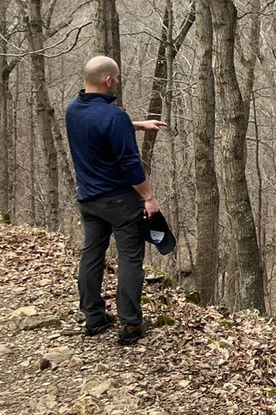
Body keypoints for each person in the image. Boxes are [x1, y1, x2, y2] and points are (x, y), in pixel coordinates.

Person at [64, 55, 167, 346]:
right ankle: (131, 325)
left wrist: (137, 125)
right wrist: (148, 198)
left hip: (88, 199)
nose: (118, 82)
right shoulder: (113, 116)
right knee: (130, 260)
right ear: (108, 80)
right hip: (120, 202)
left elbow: (98, 126)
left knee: (92, 255)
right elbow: (130, 165)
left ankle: (93, 318)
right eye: (117, 78)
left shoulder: (73, 109)